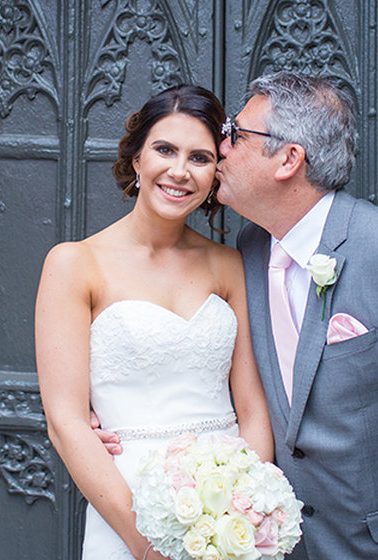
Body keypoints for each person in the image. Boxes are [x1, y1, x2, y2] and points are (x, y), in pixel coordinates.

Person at [99, 71, 378, 558]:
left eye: (235, 135)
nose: (220, 148)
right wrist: (113, 403)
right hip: (283, 544)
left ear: (289, 159)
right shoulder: (252, 248)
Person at [35, 84, 274, 560]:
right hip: (126, 506)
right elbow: (65, 420)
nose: (179, 171)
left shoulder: (230, 265)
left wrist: (243, 510)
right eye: (165, 149)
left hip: (226, 510)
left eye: (200, 158)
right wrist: (147, 547)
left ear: (214, 175)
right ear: (137, 159)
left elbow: (253, 410)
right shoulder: (75, 264)